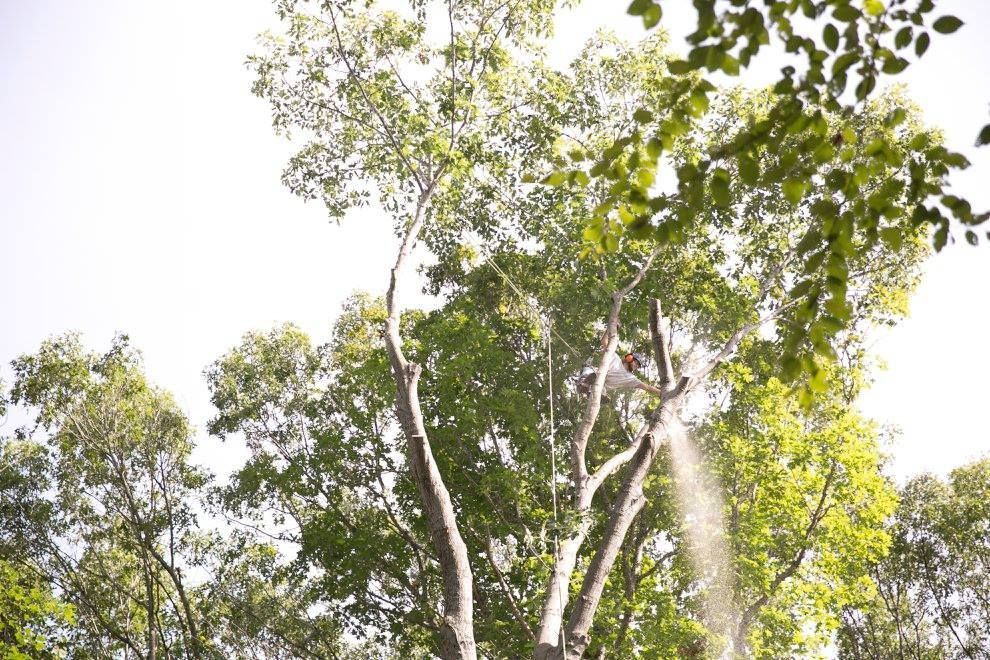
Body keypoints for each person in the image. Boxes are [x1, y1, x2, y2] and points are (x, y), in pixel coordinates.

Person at [577, 328, 663, 398]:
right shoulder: (615, 357)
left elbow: (647, 387)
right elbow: (604, 342)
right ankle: (583, 383)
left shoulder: (630, 378)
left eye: (638, 366)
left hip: (599, 386)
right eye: (636, 363)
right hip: (593, 373)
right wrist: (611, 328)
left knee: (601, 385)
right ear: (629, 358)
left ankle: (595, 391)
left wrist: (662, 393)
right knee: (588, 369)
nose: (636, 366)